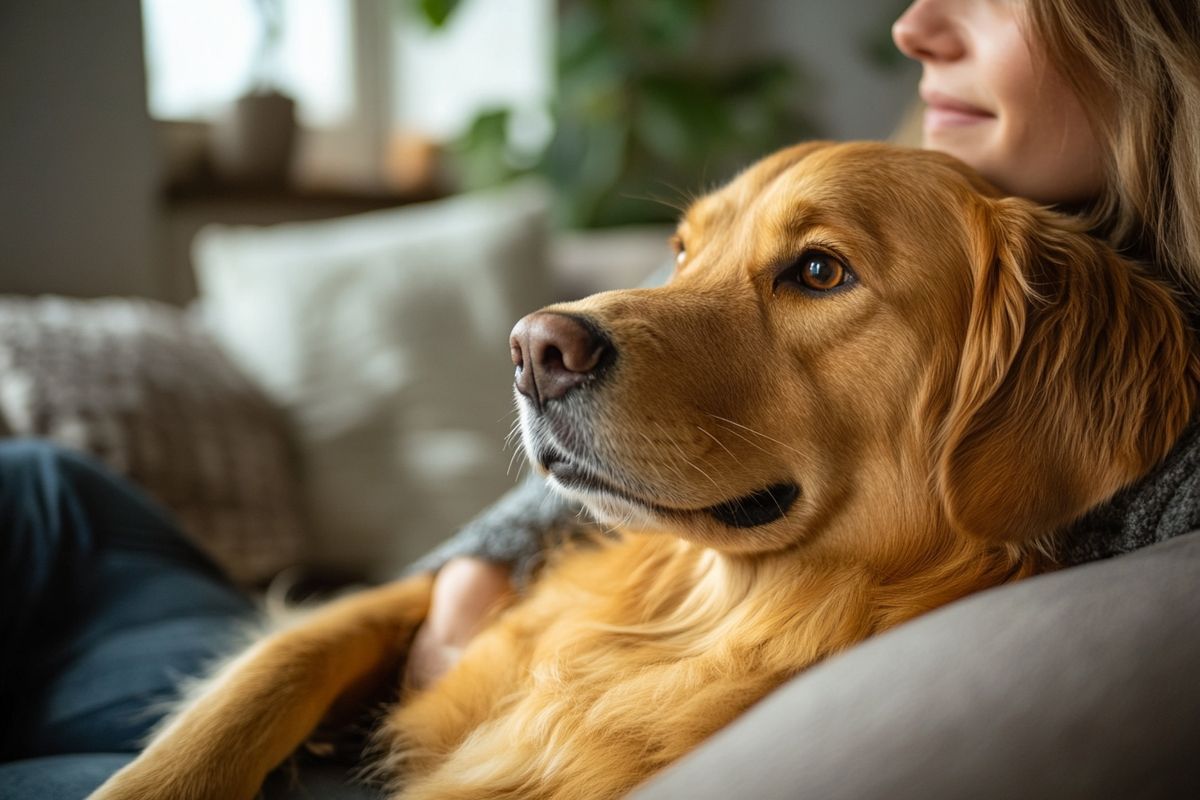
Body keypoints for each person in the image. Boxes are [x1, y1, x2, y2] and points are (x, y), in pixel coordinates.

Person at [3, 0, 1198, 797]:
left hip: (372, 760)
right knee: (48, 491)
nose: (912, 22)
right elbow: (493, 555)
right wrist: (463, 584)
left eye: (817, 272)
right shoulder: (942, 196)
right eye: (693, 255)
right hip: (452, 671)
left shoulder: (1089, 360)